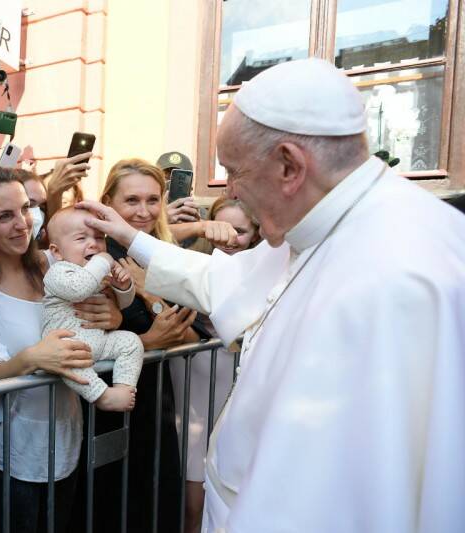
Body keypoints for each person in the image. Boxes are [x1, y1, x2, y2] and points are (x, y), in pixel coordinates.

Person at [81, 58, 465, 532]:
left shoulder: (395, 274)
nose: (232, 191)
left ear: (289, 165)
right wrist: (131, 237)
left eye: (235, 172)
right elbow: (222, 279)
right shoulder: (326, 222)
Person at [68, 158, 226, 533]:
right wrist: (149, 339)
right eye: (132, 200)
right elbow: (85, 340)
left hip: (156, 404)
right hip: (107, 408)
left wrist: (147, 293)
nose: (143, 211)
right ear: (109, 202)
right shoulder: (92, 258)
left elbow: (188, 333)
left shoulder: (163, 253)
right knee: (111, 509)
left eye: (153, 200)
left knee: (154, 508)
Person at [0, 166, 93, 532]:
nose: (22, 223)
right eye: (4, 216)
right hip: (10, 456)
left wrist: (111, 310)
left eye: (25, 208)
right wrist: (32, 358)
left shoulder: (53, 264)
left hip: (66, 439)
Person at [172, 195, 260, 532]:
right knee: (192, 506)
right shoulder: (191, 270)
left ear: (255, 233)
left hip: (233, 404)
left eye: (238, 230)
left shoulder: (261, 276)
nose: (228, 238)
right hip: (191, 405)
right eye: (218, 229)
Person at [44, 208, 142, 411]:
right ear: (57, 251)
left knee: (131, 342)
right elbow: (79, 289)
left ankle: (124, 388)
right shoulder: (58, 272)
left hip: (100, 341)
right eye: (81, 238)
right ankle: (102, 395)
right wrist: (103, 260)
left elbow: (122, 305)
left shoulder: (97, 272)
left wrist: (122, 287)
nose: (93, 244)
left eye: (99, 237)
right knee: (67, 357)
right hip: (69, 343)